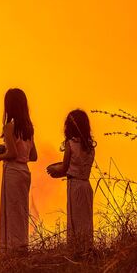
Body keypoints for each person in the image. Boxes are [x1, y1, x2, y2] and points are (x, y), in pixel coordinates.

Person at [0, 88, 37, 258]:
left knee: (11, 212)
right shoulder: (28, 129)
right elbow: (33, 155)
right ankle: (21, 248)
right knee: (21, 212)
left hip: (13, 172)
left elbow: (12, 154)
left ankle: (12, 253)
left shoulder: (9, 127)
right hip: (25, 172)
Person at [47, 109, 96, 256]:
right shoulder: (89, 146)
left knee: (75, 221)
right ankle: (87, 250)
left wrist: (54, 171)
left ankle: (76, 253)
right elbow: (78, 165)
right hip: (86, 185)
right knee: (86, 221)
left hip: (74, 186)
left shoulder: (70, 144)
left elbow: (64, 167)